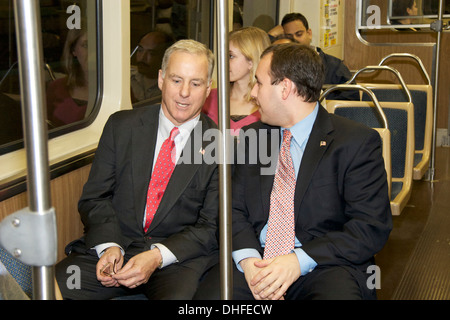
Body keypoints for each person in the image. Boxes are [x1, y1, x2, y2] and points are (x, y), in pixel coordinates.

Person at [195, 44, 392, 300]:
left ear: (285, 88)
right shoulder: (253, 137)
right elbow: (233, 209)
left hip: (324, 263)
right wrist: (248, 260)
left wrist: (297, 261)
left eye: (259, 83)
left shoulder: (354, 143)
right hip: (257, 259)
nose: (253, 93)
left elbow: (370, 227)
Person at [55, 39, 219, 300]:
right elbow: (95, 198)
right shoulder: (121, 127)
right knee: (56, 284)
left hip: (176, 260)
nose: (184, 92)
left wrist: (155, 257)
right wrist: (109, 246)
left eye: (195, 83)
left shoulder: (218, 145)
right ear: (161, 79)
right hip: (117, 246)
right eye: (176, 80)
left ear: (208, 88)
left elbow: (211, 226)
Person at [269, 12, 357, 101]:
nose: (295, 40)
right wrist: (270, 35)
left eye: (299, 34)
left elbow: (351, 99)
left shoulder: (334, 66)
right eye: (289, 37)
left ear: (309, 33)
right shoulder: (281, 67)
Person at [202, 26, 271, 136]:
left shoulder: (269, 105)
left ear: (251, 61)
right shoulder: (209, 98)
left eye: (231, 56)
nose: (224, 62)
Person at [46, 29, 89, 128]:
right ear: (73, 50)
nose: (93, 51)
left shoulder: (117, 87)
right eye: (85, 45)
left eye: (97, 44)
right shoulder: (56, 87)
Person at [131, 31, 175, 103]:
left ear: (164, 57)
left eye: (151, 53)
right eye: (140, 50)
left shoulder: (169, 88)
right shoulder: (127, 79)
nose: (142, 58)